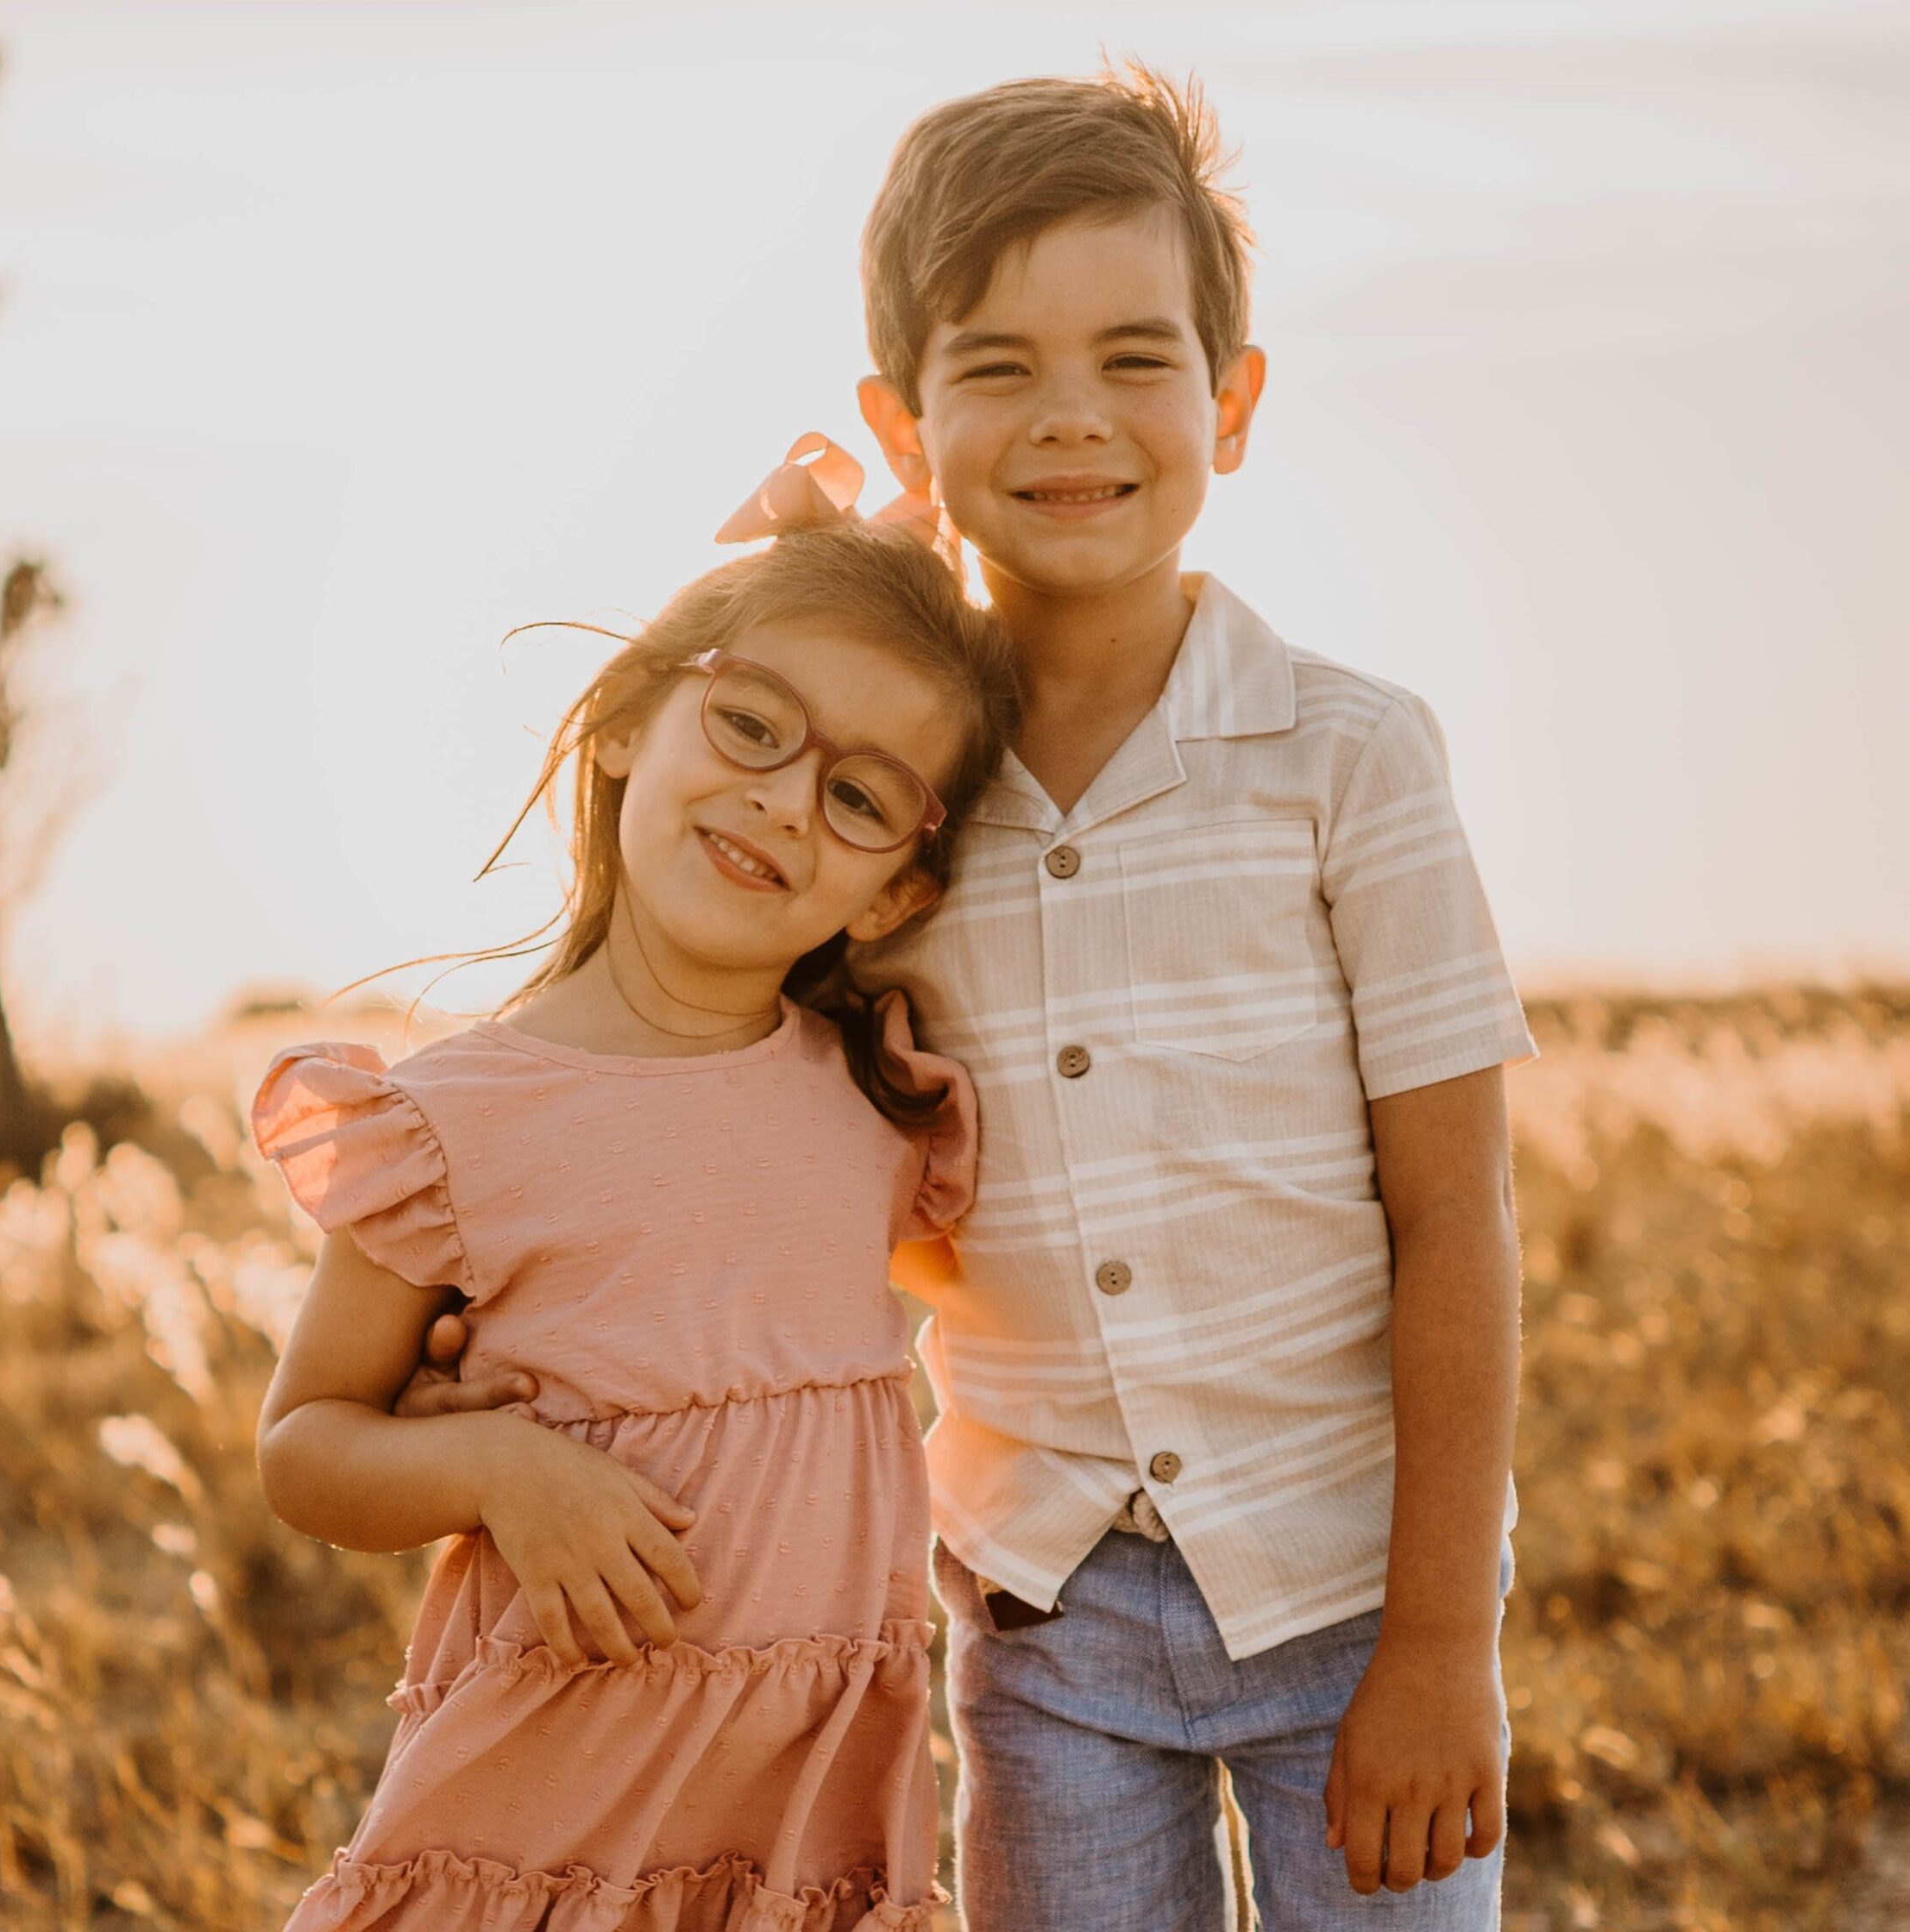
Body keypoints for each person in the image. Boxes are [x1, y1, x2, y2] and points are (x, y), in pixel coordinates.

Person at [406, 64, 1536, 1932]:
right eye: (994, 365)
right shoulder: (884, 807)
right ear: (904, 422)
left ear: (1230, 402)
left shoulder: (1348, 759)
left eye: (1132, 357)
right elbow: (692, 946)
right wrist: (786, 583)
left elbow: (1453, 1212)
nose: (1069, 417)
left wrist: (1439, 1639)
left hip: (1351, 1593)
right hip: (1041, 1607)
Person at [248, 520, 1018, 1931]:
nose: (786, 800)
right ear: (616, 728)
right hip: (555, 1797)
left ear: (902, 889)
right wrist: (492, 1467)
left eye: (860, 798)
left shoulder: (876, 1101)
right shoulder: (454, 1124)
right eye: (748, 726)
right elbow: (304, 1451)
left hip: (801, 1817)